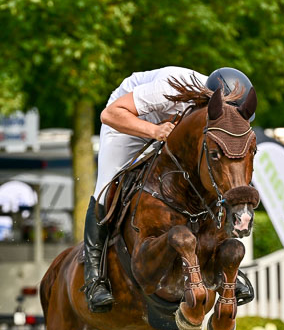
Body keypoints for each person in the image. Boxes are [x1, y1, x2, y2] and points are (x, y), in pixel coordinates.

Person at [83, 66, 256, 313]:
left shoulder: (219, 109)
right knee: (106, 185)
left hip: (176, 126)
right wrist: (154, 131)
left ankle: (224, 267)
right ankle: (94, 279)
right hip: (129, 119)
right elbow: (109, 114)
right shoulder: (167, 88)